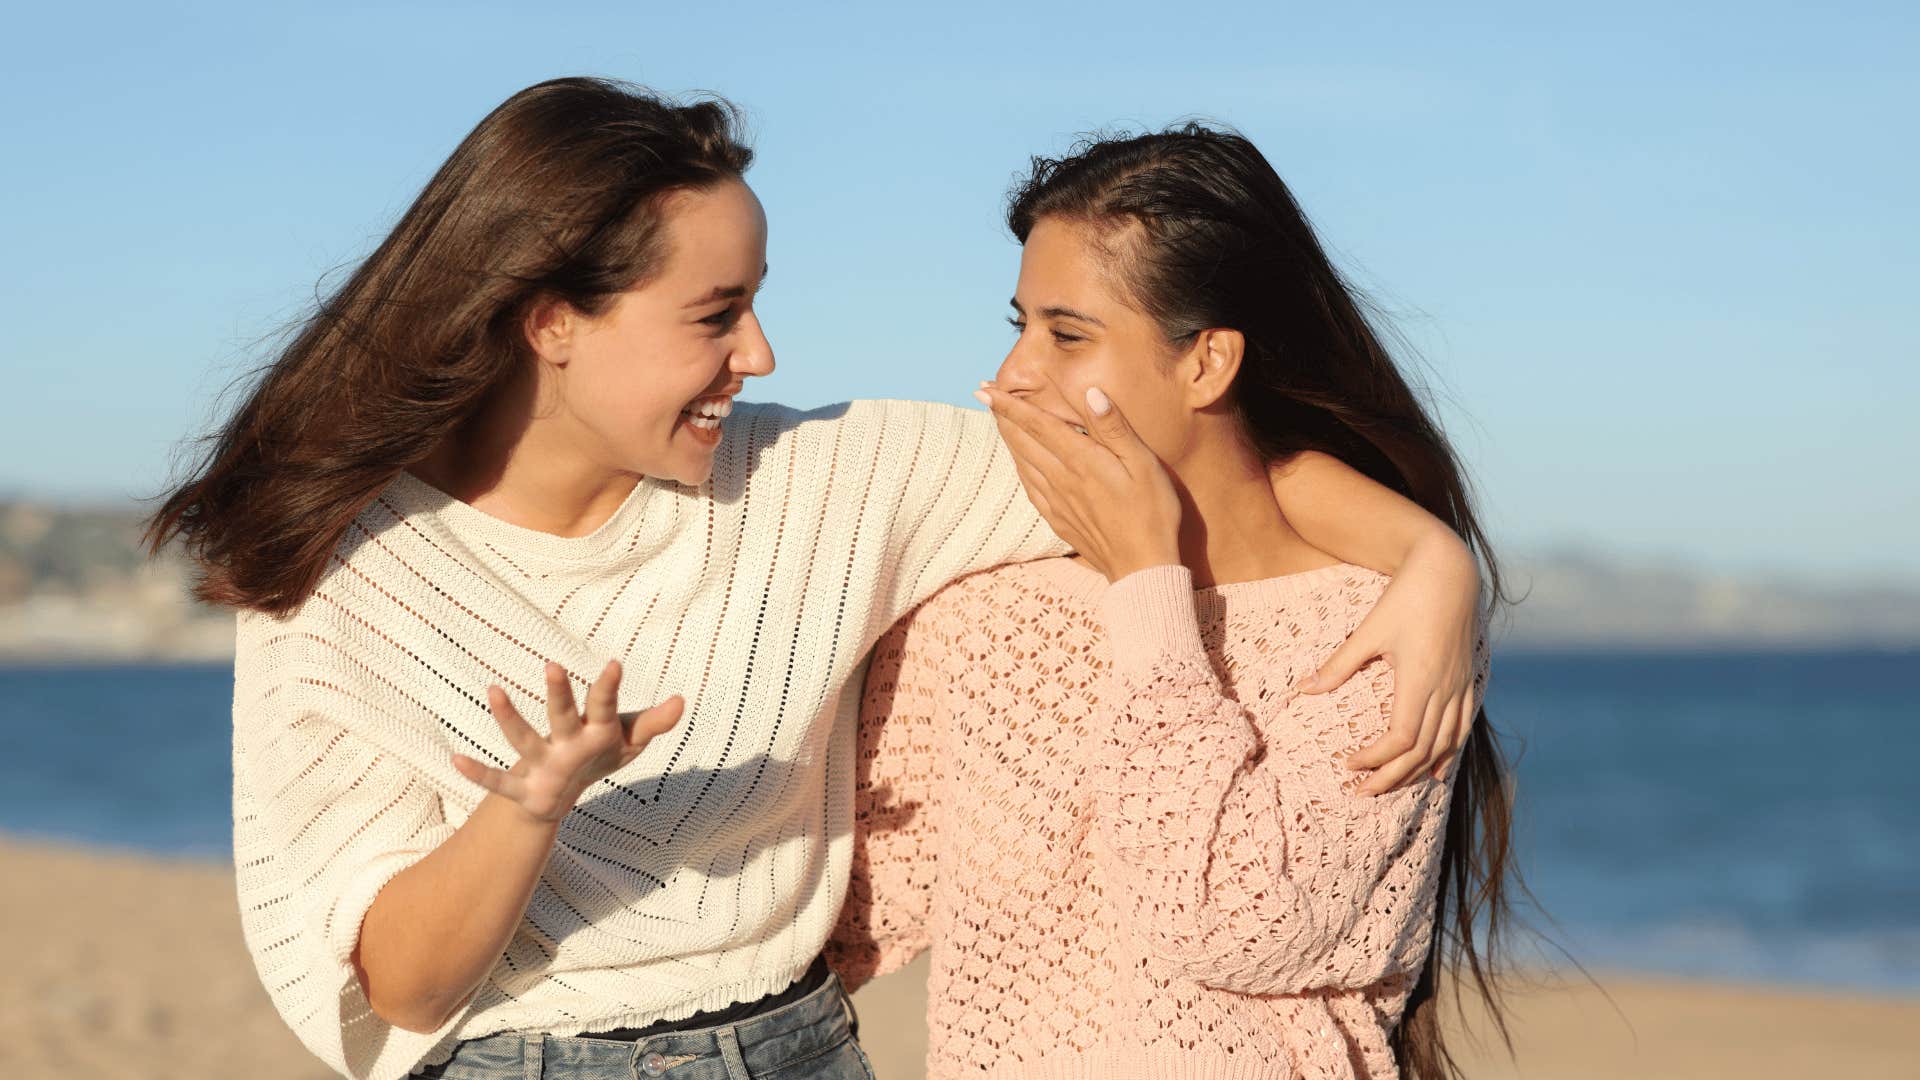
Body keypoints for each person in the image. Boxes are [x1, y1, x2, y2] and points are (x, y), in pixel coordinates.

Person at [146, 80, 1484, 1080]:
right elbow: (405, 983)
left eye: (758, 299)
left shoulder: (840, 483)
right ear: (549, 320)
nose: (764, 353)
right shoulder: (343, 571)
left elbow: (1167, 470)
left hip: (804, 1049)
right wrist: (527, 807)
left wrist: (1429, 562)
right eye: (717, 314)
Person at [828, 125, 1513, 1079]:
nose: (1016, 373)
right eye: (1018, 324)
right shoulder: (981, 612)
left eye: (1067, 335)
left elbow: (1236, 921)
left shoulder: (1385, 627)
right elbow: (855, 902)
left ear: (1207, 364)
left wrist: (1151, 590)